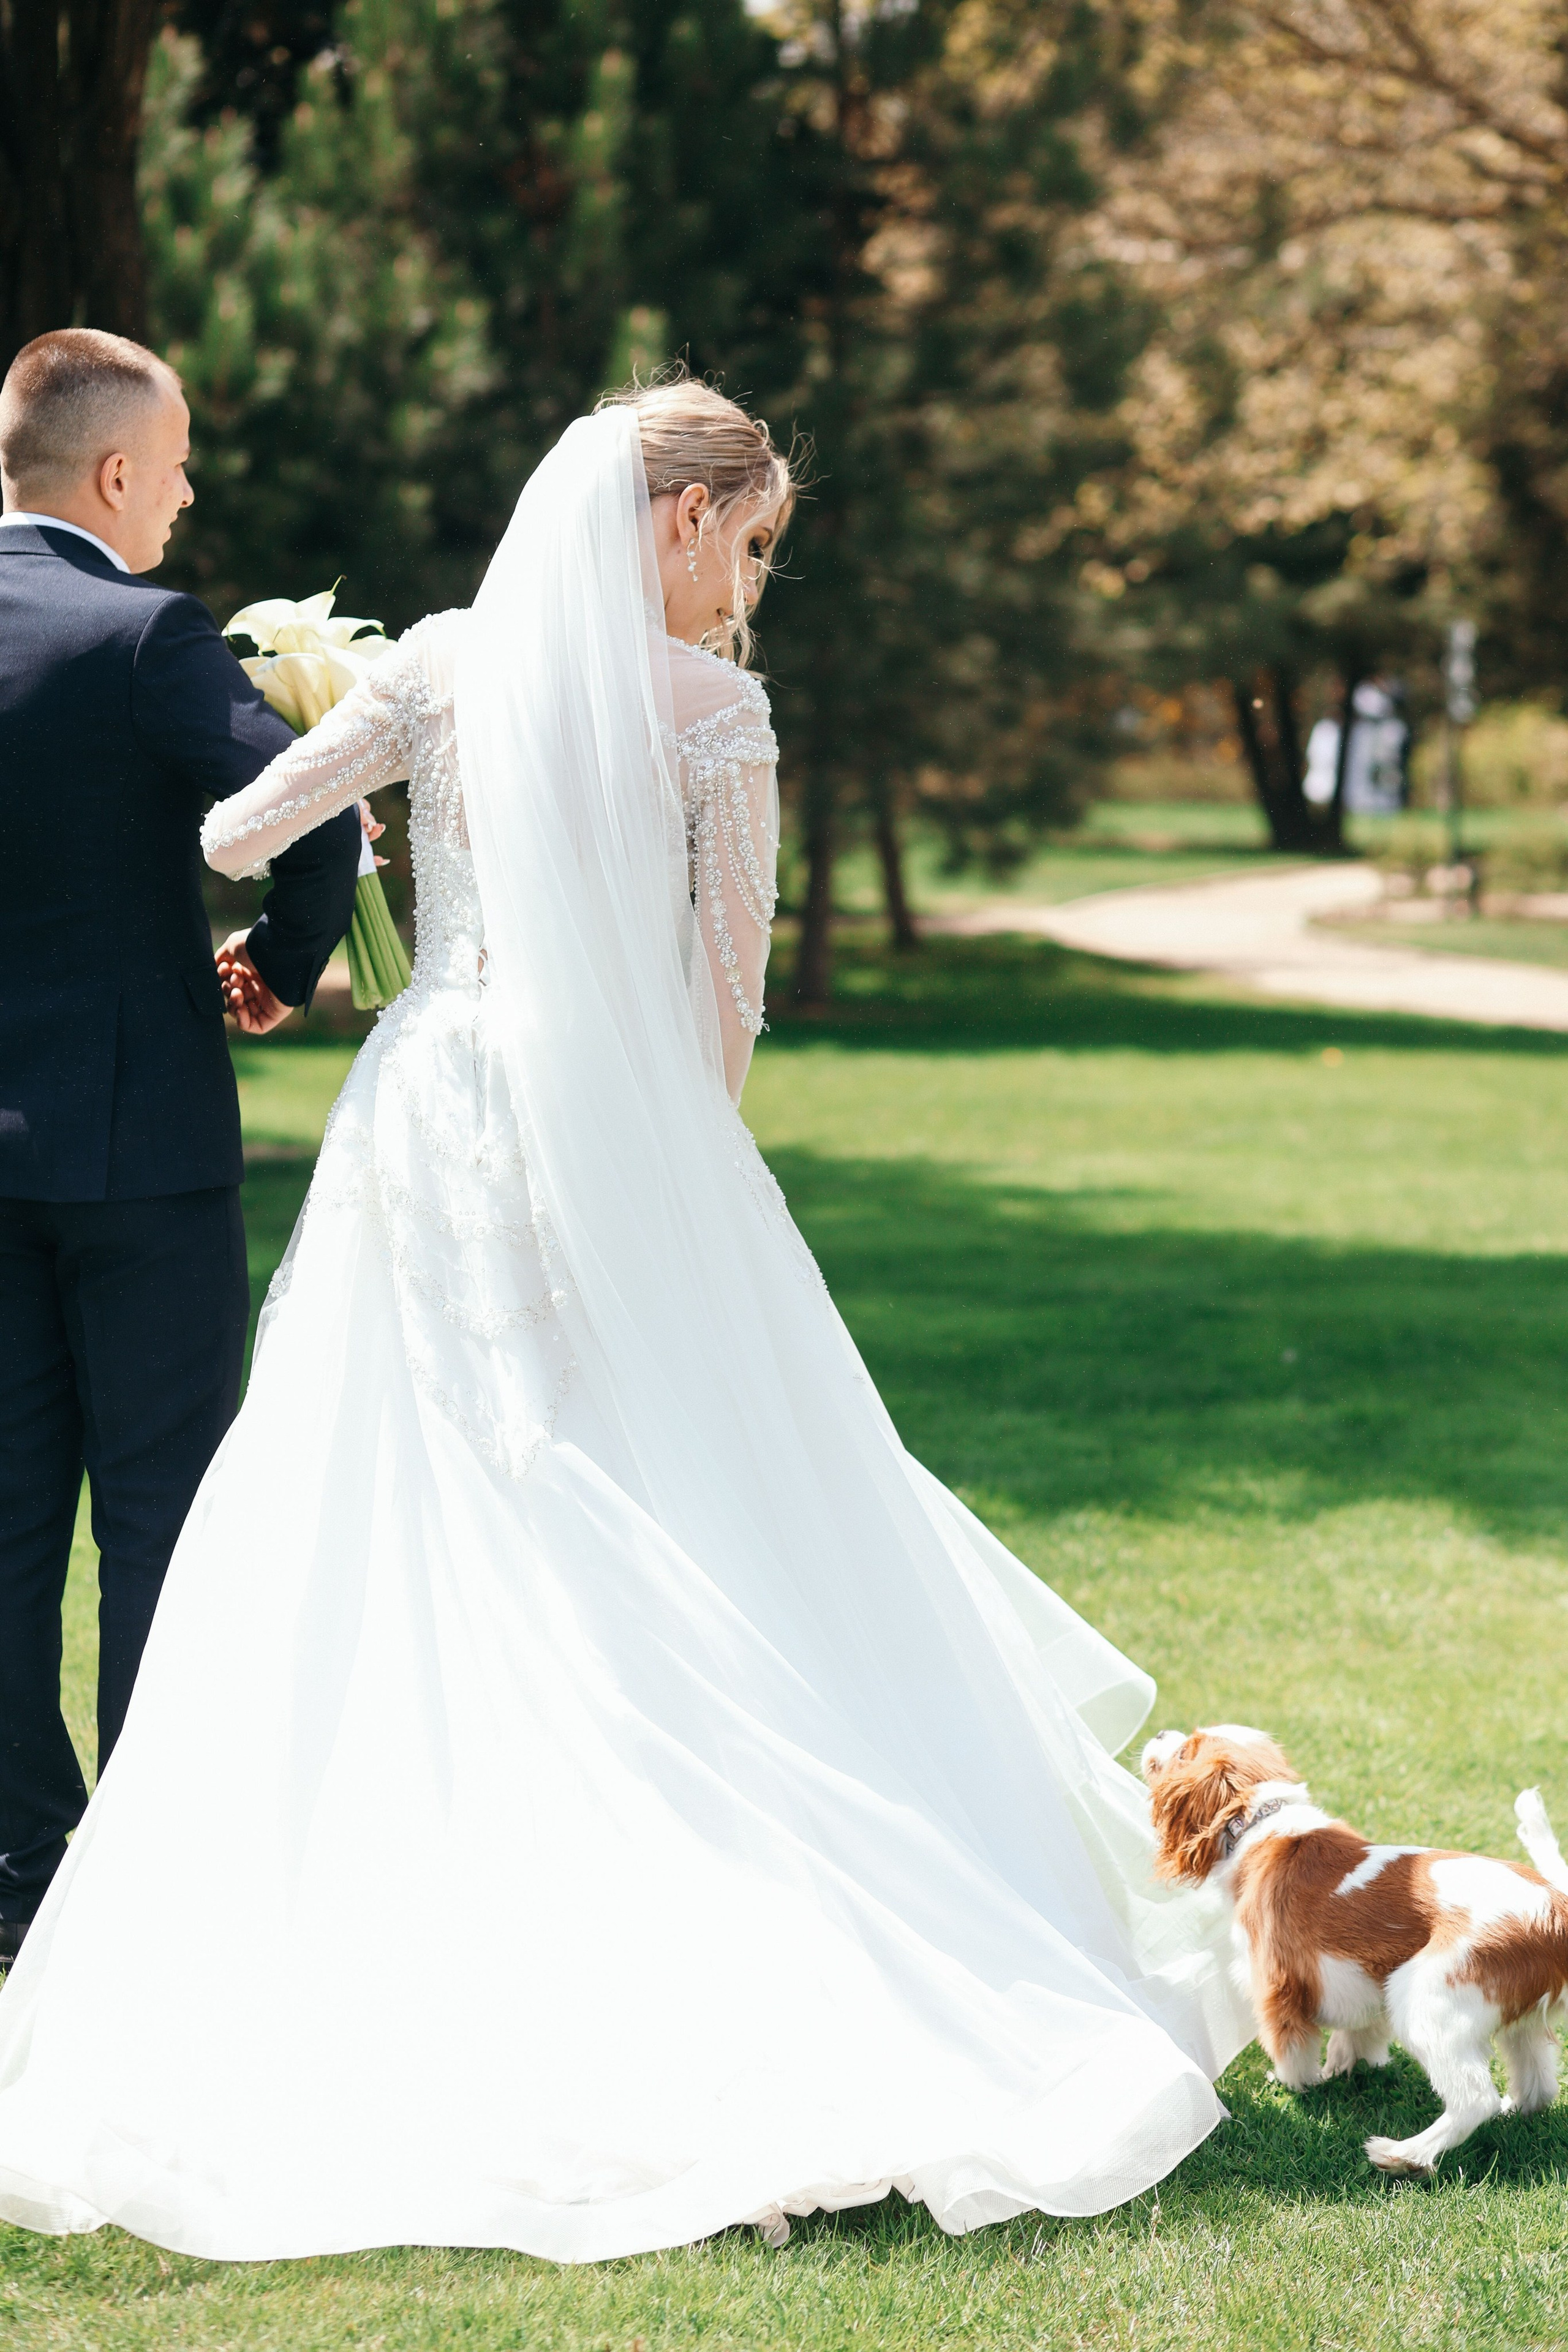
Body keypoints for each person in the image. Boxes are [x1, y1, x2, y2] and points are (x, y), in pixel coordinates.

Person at [0, 380, 1248, 2261]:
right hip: (614, 1134)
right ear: (676, 521)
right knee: (659, 1498)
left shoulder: (438, 667)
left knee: (417, 1503)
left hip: (431, 1117)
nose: (744, 591)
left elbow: (242, 830)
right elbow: (724, 1004)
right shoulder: (717, 720)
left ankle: (379, 1939)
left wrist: (368, 740)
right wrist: (680, 1186)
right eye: (744, 546)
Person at [0, 330, 361, 1970]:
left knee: (7, 1518)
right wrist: (284, 967)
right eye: (183, 461)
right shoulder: (141, 633)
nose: (191, 491)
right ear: (117, 476)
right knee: (156, 1512)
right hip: (138, 1151)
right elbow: (318, 807)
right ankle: (138, 1885)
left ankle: (19, 1866)